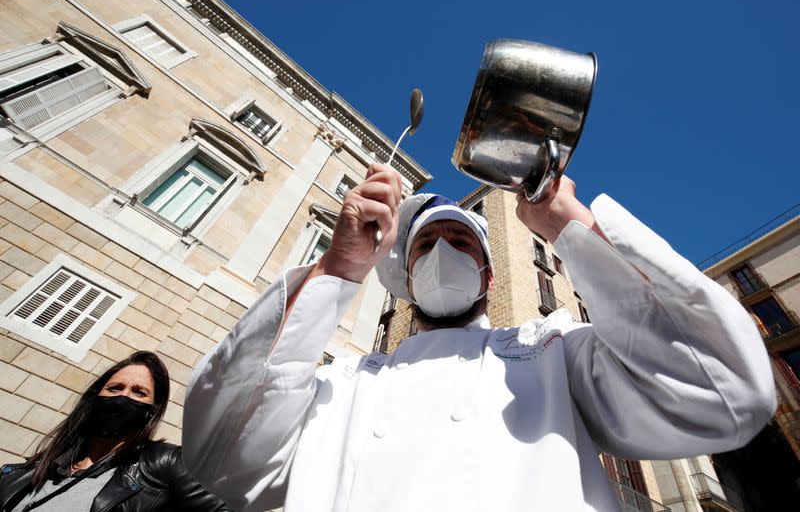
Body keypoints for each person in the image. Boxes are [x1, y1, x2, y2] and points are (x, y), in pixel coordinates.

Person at [182, 164, 777, 511]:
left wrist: (570, 224)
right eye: (425, 245)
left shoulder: (555, 351)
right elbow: (222, 456)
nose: (444, 252)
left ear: (489, 275)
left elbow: (725, 390)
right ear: (406, 278)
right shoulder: (342, 384)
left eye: (462, 243)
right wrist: (337, 268)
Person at [0, 351, 231, 512]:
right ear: (95, 397)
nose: (124, 397)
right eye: (115, 388)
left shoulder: (165, 464)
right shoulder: (15, 476)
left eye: (139, 392)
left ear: (152, 410)